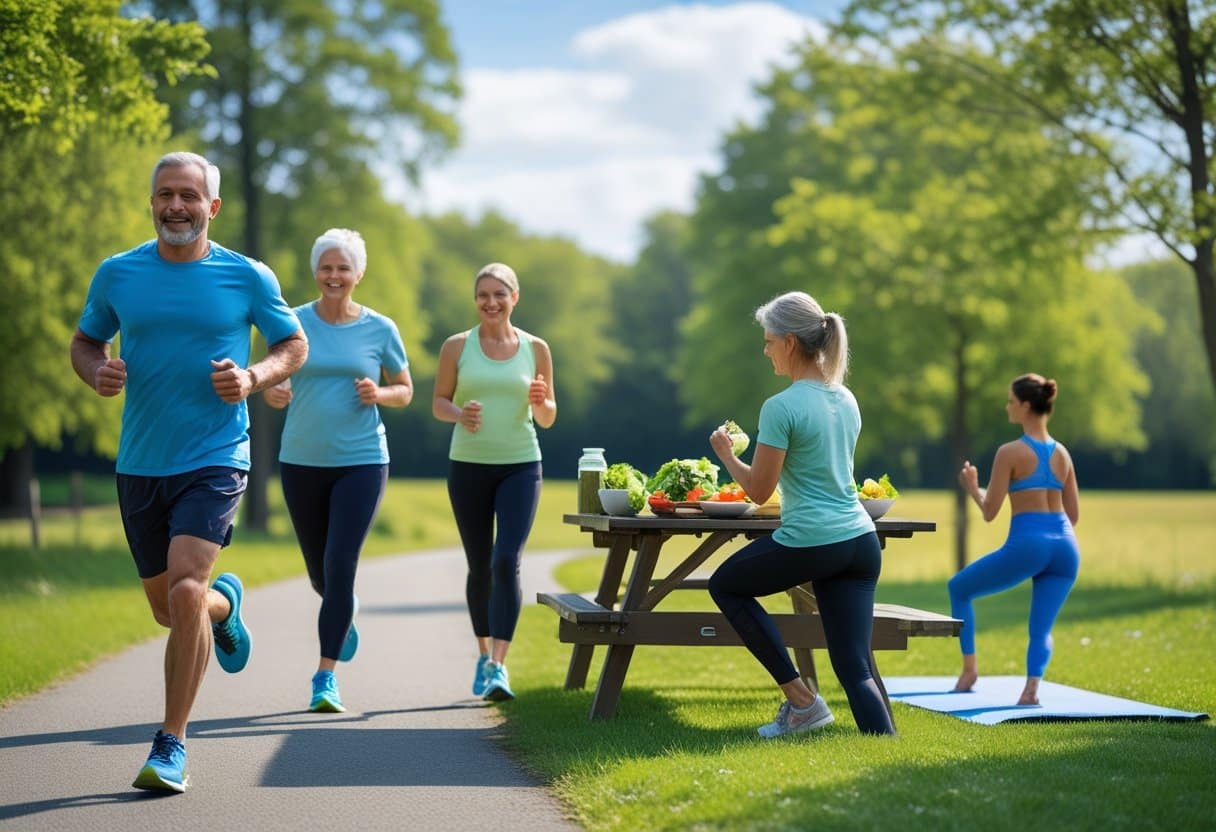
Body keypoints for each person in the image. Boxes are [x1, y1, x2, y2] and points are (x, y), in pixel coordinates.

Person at [70, 151, 308, 792]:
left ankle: (170, 744)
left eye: (188, 196)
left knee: (182, 590)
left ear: (213, 206)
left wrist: (254, 376)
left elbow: (293, 343)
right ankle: (224, 605)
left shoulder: (246, 276)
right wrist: (97, 370)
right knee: (170, 610)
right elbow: (86, 339)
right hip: (142, 460)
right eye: (165, 194)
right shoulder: (118, 274)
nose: (176, 206)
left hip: (216, 454)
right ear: (152, 202)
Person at [707, 291, 895, 737]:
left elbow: (758, 488)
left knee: (725, 586)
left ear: (790, 343)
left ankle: (802, 702)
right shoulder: (845, 398)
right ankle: (885, 745)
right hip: (860, 541)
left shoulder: (782, 406)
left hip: (814, 539)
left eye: (769, 340)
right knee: (854, 666)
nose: (766, 349)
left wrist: (726, 455)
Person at [263, 228, 413, 713]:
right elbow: (268, 378)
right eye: (327, 267)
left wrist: (380, 394)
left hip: (362, 460)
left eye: (343, 268)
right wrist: (273, 392)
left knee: (340, 563)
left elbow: (405, 388)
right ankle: (341, 610)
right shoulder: (291, 323)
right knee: (319, 571)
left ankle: (325, 677)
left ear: (358, 274)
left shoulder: (381, 329)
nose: (334, 276)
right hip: (301, 460)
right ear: (316, 272)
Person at [432, 262, 556, 701]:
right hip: (468, 466)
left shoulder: (536, 348)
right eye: (483, 295)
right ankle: (484, 654)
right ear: (476, 300)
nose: (491, 302)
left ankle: (499, 665)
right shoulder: (456, 347)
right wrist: (459, 413)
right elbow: (439, 403)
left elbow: (547, 416)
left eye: (499, 294)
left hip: (522, 464)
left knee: (507, 560)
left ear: (514, 298)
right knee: (480, 564)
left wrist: (542, 402)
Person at [950, 373, 1080, 705]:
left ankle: (969, 671)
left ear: (1024, 406)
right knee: (1041, 629)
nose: (1007, 407)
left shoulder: (1010, 452)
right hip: (1065, 548)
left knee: (959, 588)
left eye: (1010, 401)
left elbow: (990, 510)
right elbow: (1073, 514)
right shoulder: (1063, 454)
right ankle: (1031, 689)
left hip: (1029, 544)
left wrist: (971, 487)